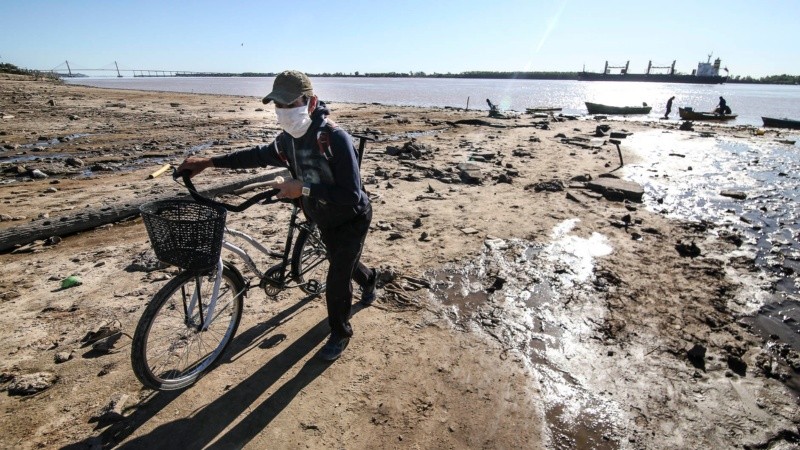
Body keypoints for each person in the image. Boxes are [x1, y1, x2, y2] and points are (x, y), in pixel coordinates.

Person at [177, 70, 378, 362]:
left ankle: (339, 332)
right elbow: (255, 156)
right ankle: (370, 279)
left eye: (290, 104)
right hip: (320, 214)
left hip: (350, 218)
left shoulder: (334, 137)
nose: (283, 112)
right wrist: (209, 162)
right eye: (278, 106)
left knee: (337, 278)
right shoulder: (288, 140)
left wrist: (303, 188)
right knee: (342, 261)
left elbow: (352, 195)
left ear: (311, 101)